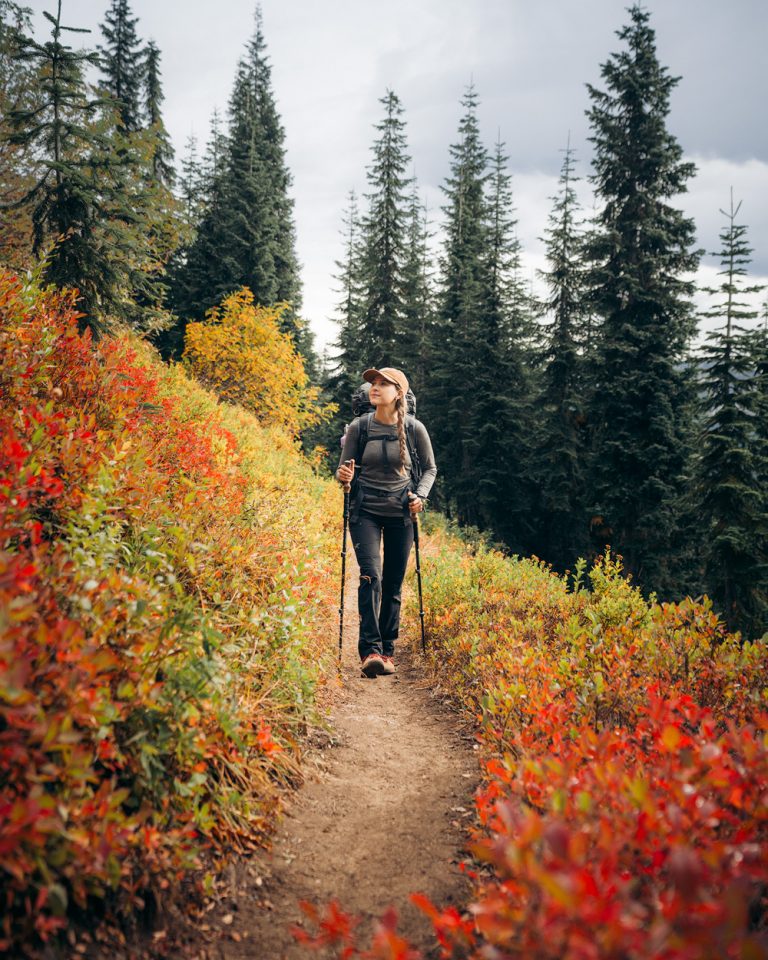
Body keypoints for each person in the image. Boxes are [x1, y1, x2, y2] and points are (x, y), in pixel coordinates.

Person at [336, 367, 437, 678]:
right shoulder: (358, 427)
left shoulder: (415, 429)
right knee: (371, 576)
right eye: (373, 384)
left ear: (399, 394)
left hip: (401, 513)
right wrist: (344, 476)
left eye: (383, 384)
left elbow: (430, 469)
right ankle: (370, 651)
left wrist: (420, 495)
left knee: (392, 584)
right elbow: (343, 471)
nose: (375, 388)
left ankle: (388, 651)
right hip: (365, 509)